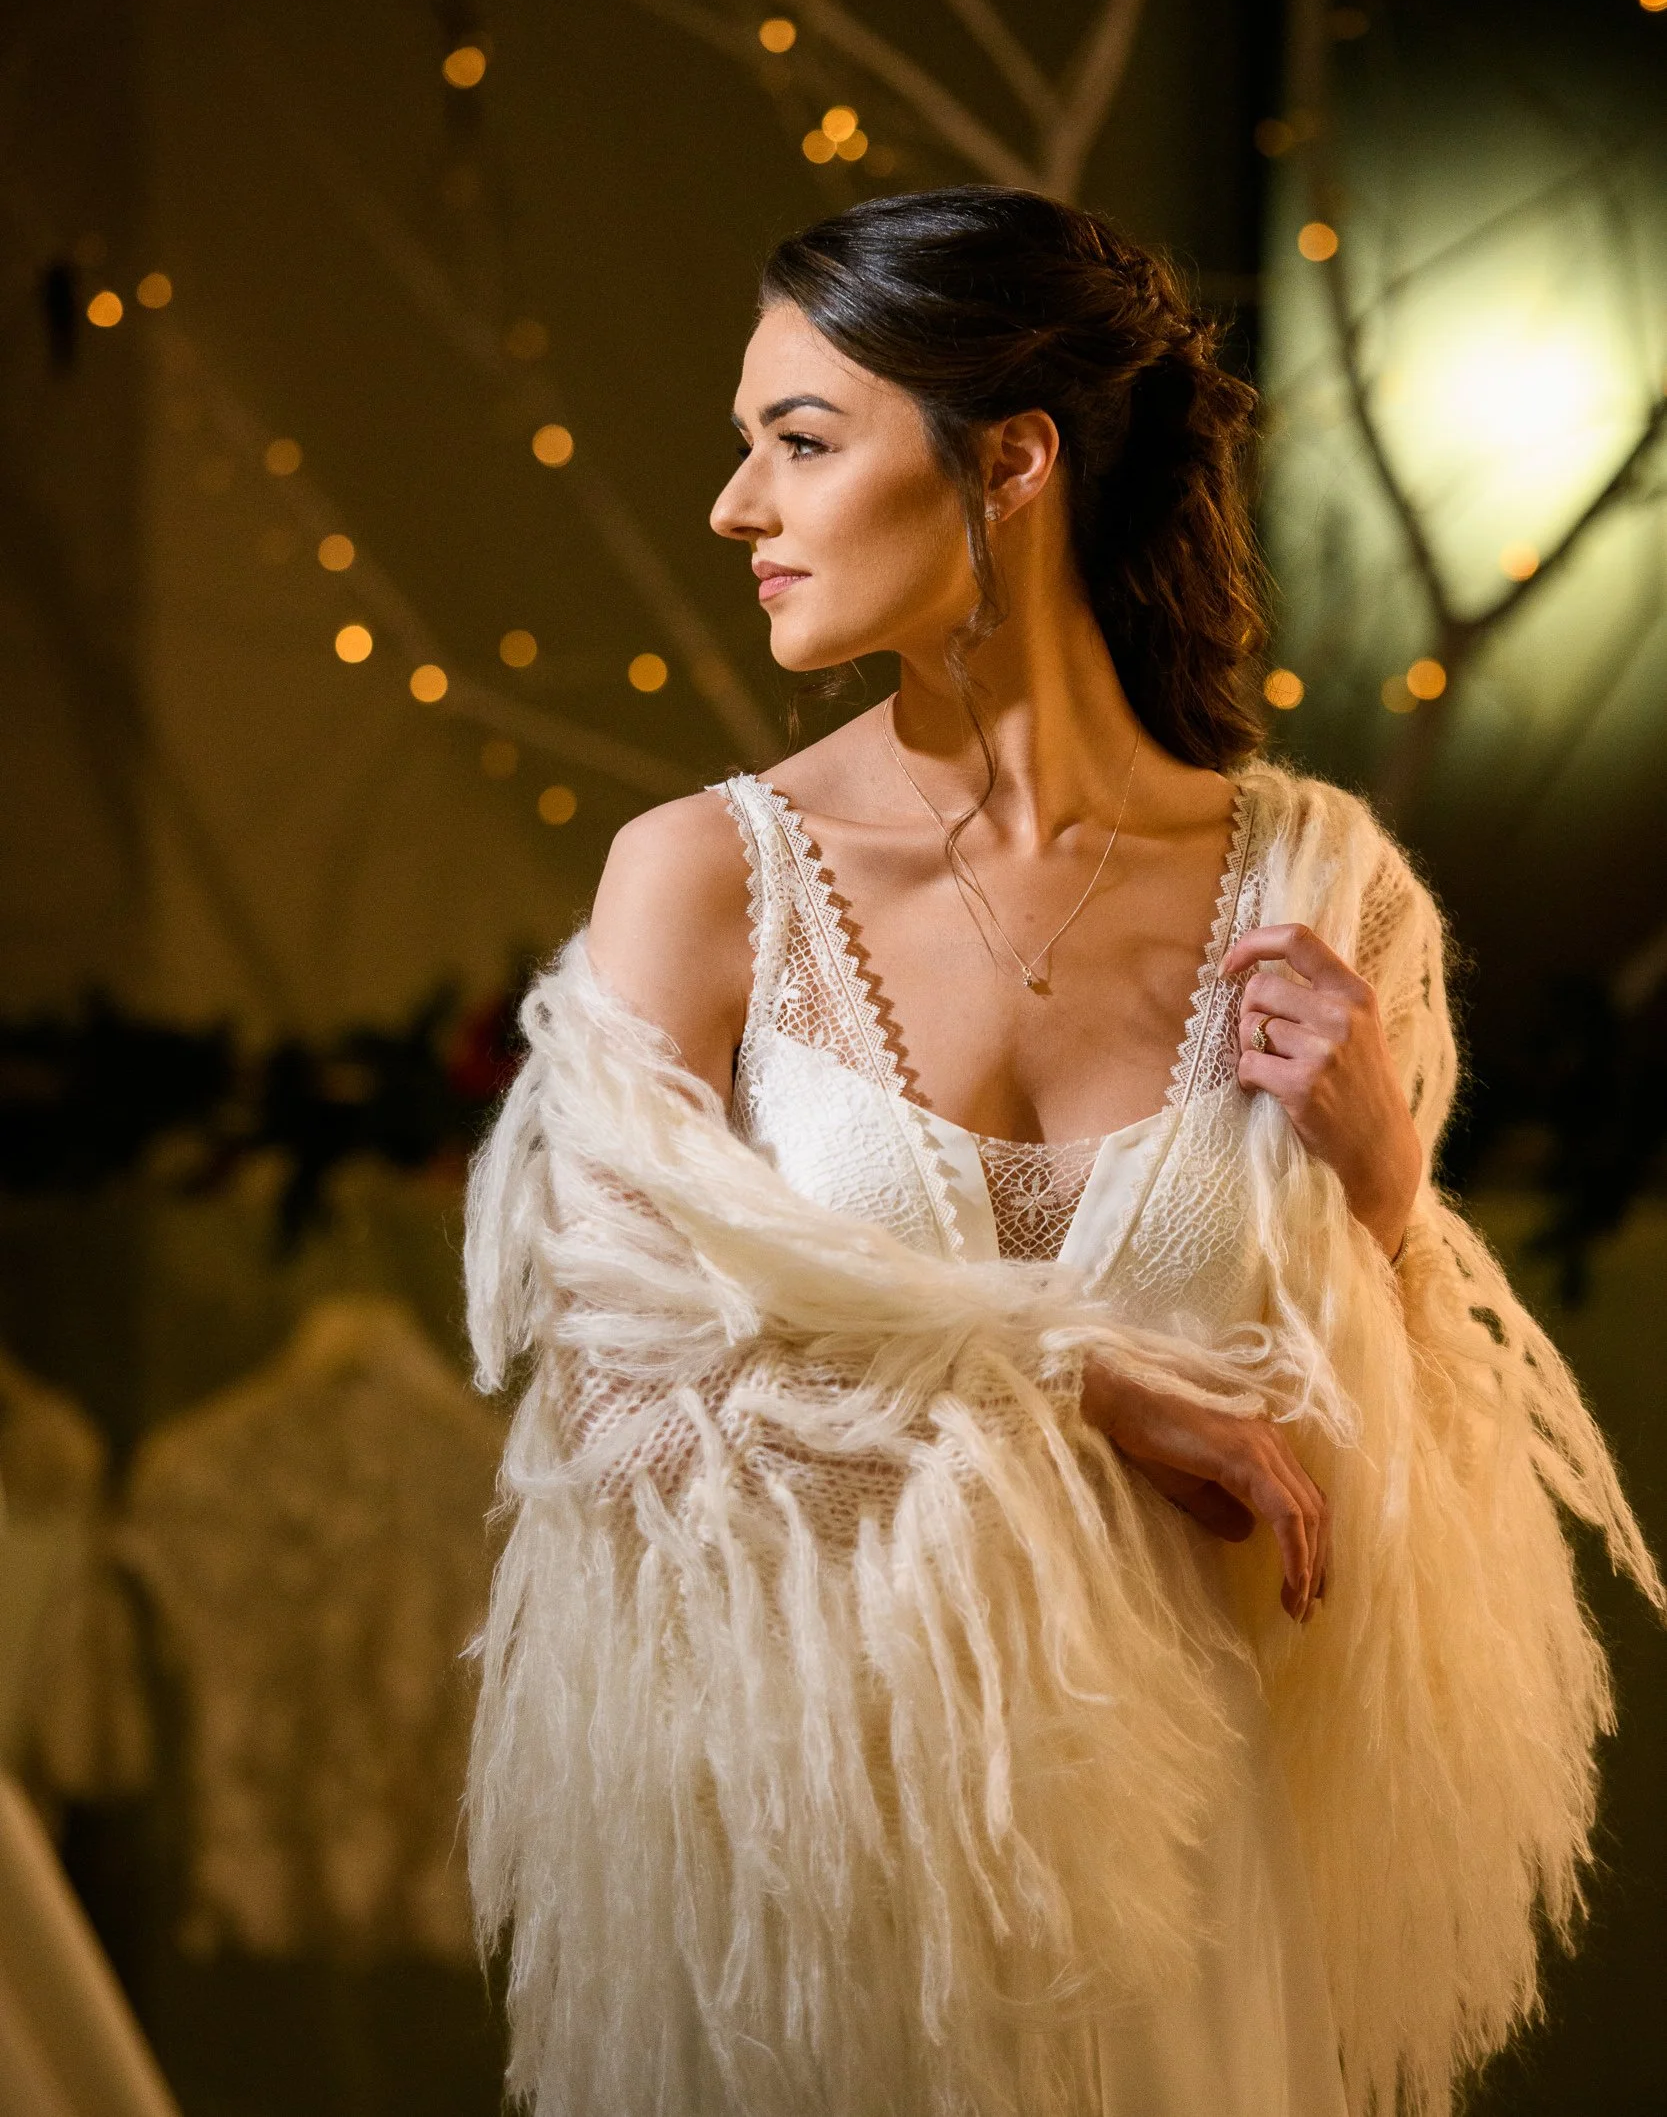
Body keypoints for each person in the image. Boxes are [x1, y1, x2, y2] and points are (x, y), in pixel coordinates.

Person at [463, 188, 1659, 2117]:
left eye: (798, 441)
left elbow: (1400, 1550)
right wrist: (1064, 1384)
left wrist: (1378, 1193)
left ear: (1006, 459)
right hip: (811, 1930)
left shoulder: (1320, 889)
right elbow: (614, 1416)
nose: (733, 511)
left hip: (1189, 1923)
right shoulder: (703, 883)